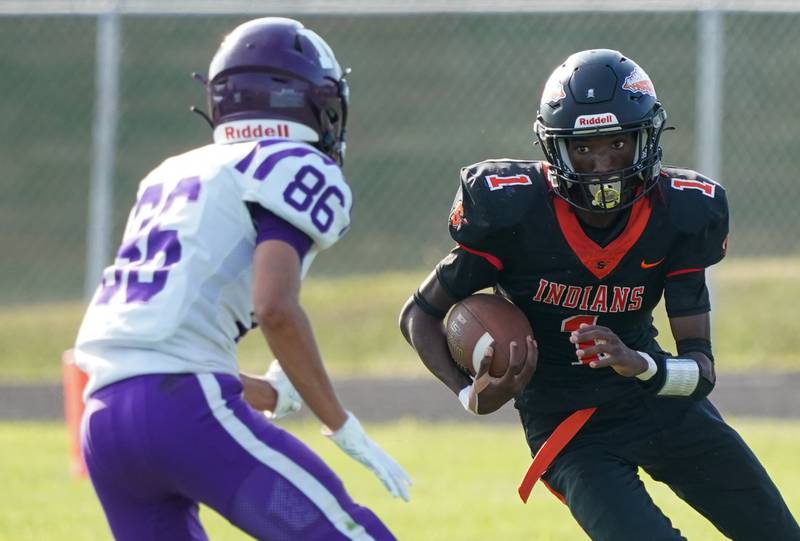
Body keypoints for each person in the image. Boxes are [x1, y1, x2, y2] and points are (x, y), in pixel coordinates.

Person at [399, 49, 799, 540]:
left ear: (645, 139)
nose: (602, 163)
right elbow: (419, 315)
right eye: (584, 147)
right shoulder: (514, 214)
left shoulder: (680, 215)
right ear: (556, 149)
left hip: (659, 407)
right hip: (570, 431)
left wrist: (641, 364)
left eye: (617, 143)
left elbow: (702, 373)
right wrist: (468, 395)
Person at [74, 17, 410, 541]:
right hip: (185, 414)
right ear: (309, 102)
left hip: (103, 420)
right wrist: (340, 424)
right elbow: (274, 308)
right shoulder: (288, 163)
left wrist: (272, 395)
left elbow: (151, 359)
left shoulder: (170, 174)